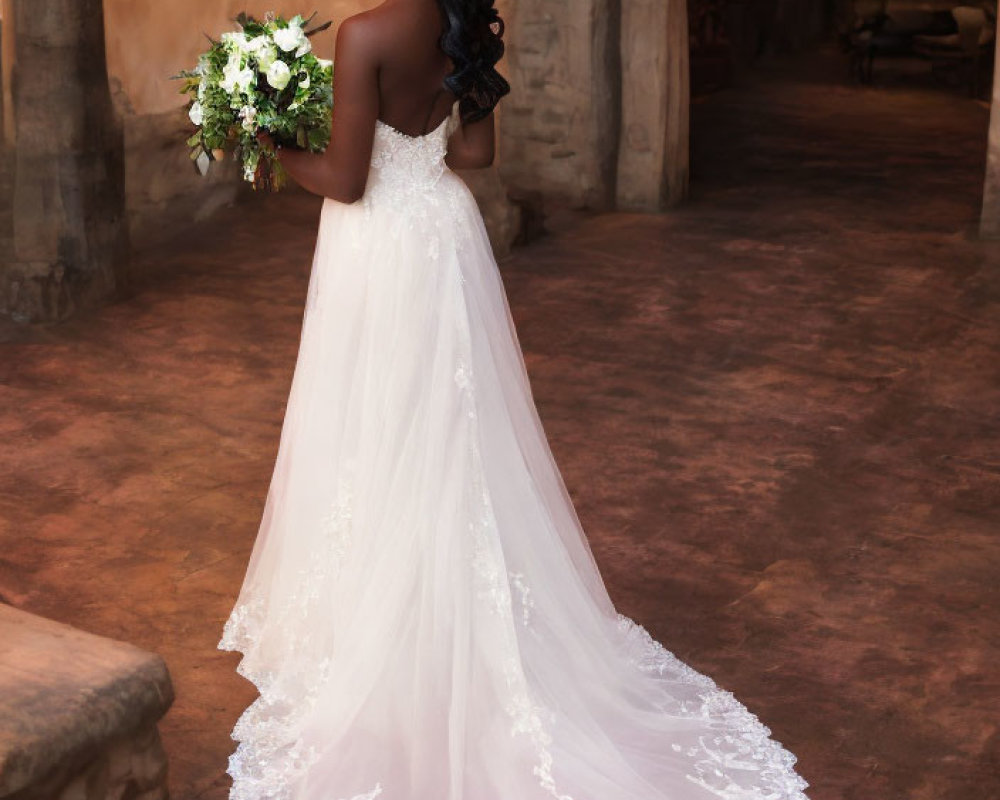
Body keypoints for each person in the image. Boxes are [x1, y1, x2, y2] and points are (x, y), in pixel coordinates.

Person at [219, 1, 812, 799]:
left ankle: (385, 628)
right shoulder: (460, 21)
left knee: (375, 421)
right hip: (444, 235)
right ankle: (439, 610)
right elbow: (475, 151)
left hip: (379, 247)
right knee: (450, 426)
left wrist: (268, 139)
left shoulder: (364, 33)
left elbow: (347, 180)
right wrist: (415, 144)